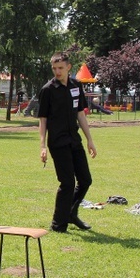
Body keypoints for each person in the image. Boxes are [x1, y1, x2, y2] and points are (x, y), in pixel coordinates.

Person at [39, 51, 97, 233]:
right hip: (57, 142)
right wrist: (42, 146)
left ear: (68, 67)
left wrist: (90, 140)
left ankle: (71, 212)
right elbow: (43, 119)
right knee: (67, 183)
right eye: (54, 68)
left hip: (74, 139)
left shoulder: (76, 85)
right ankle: (58, 224)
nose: (57, 72)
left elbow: (80, 114)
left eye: (60, 68)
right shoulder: (48, 90)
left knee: (85, 180)